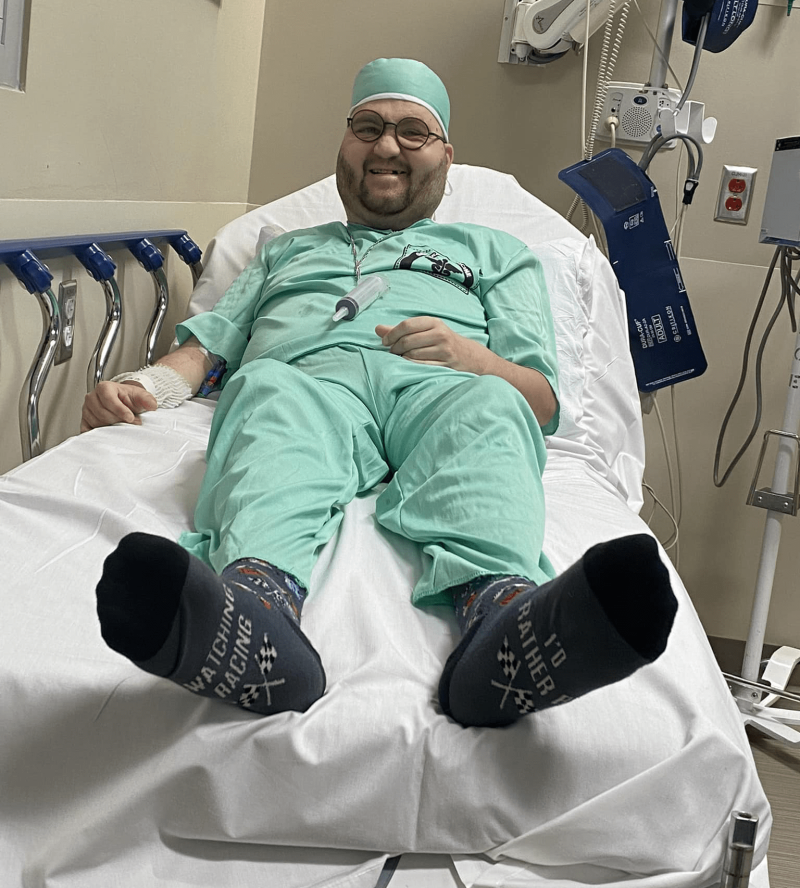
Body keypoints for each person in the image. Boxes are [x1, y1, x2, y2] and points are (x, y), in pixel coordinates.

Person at [83, 58, 676, 728]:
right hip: (308, 387)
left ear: (446, 156)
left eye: (412, 131)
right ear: (345, 144)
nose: (387, 145)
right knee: (265, 390)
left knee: (493, 407)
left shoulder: (496, 252)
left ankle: (503, 628)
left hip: (445, 391)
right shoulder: (285, 251)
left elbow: (539, 401)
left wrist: (472, 358)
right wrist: (145, 385)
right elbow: (208, 348)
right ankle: (257, 616)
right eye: (367, 127)